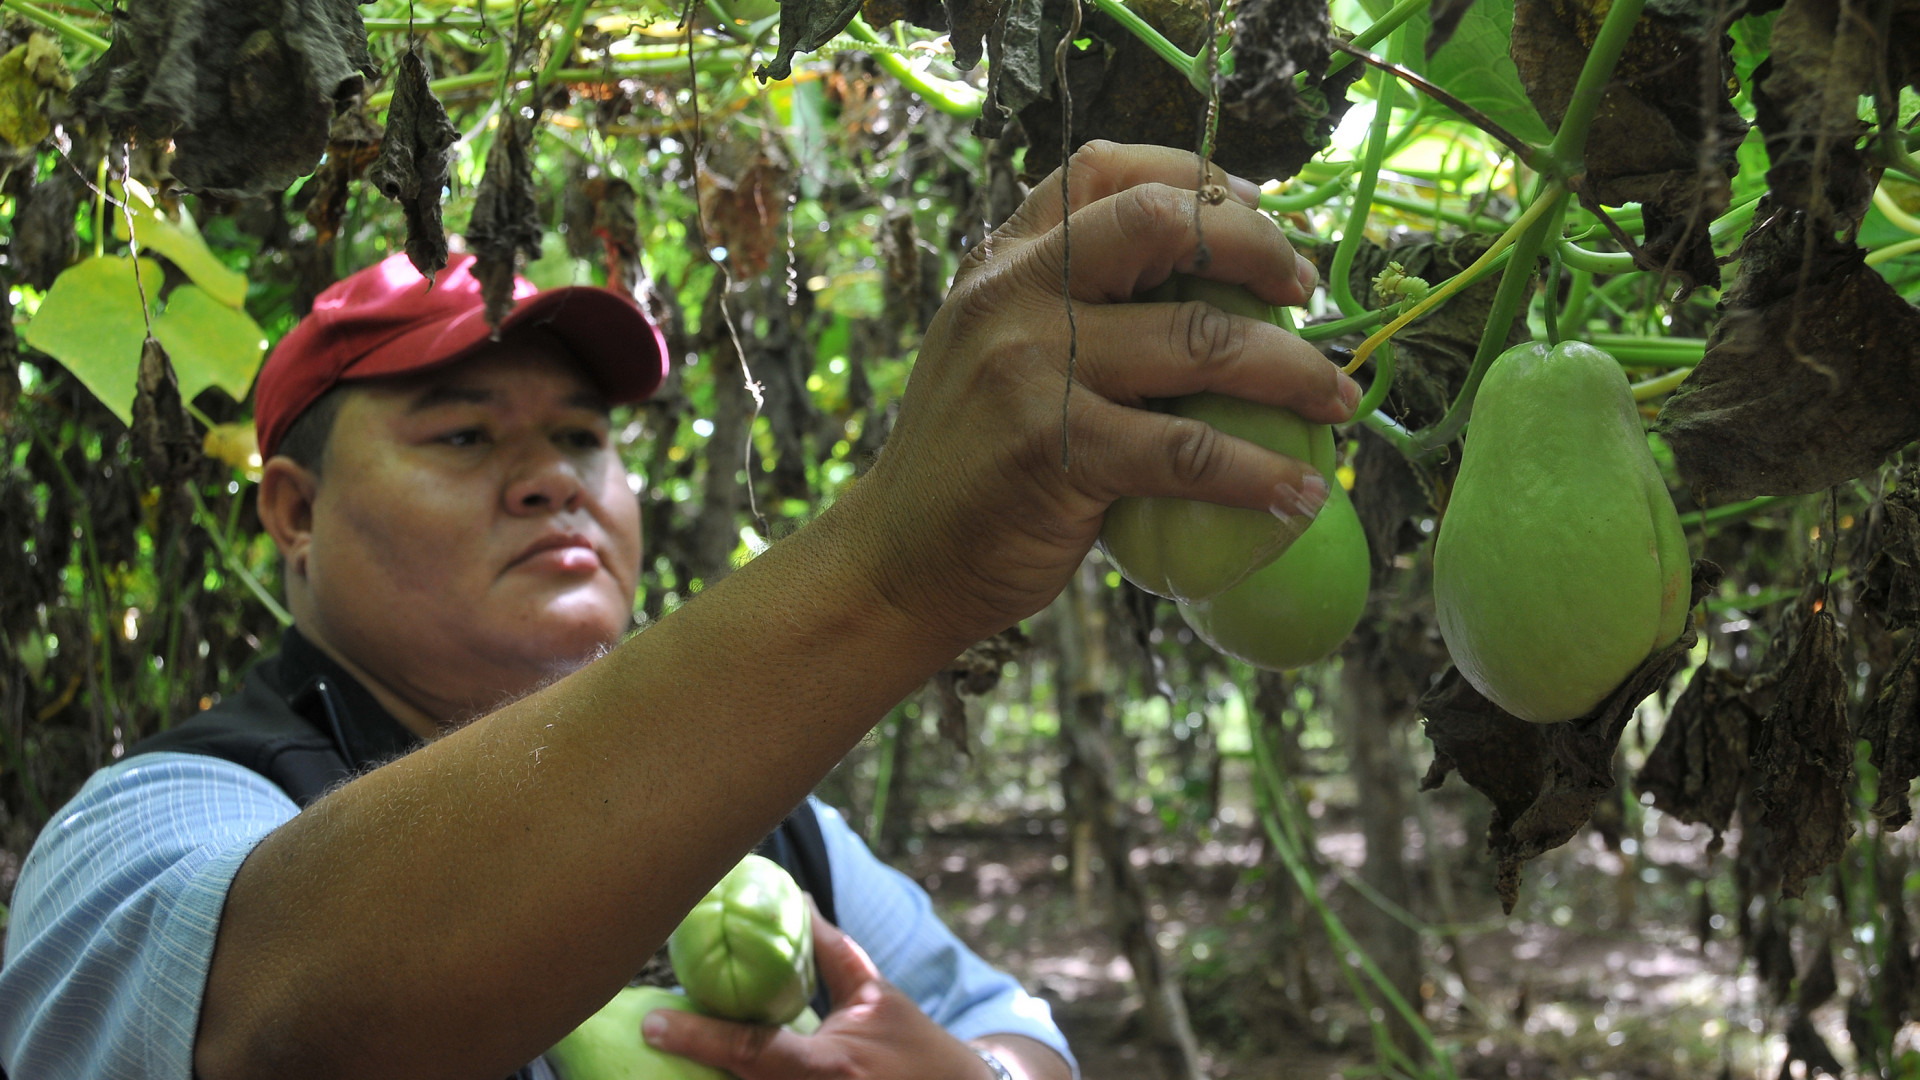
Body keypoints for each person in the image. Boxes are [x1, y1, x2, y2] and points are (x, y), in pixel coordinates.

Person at [0, 141, 1353, 1080]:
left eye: (582, 439)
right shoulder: (156, 821)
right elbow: (279, 1017)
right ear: (294, 513)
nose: (551, 481)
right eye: (463, 437)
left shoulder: (777, 824)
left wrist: (968, 1072)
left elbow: (1015, 1023)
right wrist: (892, 567)